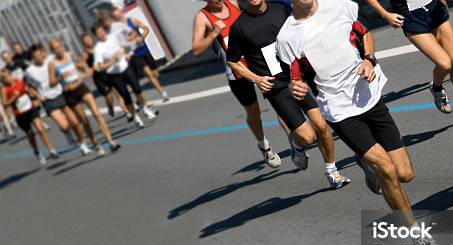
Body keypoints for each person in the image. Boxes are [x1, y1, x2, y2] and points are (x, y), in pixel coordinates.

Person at [277, 0, 438, 245]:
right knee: (386, 168)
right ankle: (415, 234)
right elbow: (293, 78)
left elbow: (365, 34)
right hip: (339, 111)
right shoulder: (286, 37)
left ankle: (365, 163)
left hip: (370, 96)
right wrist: (295, 88)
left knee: (405, 174)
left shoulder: (341, 6)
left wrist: (368, 59)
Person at [226, 0, 350, 188]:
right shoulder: (239, 27)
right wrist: (256, 79)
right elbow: (233, 61)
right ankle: (297, 144)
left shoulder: (281, 8)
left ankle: (332, 171)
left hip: (297, 78)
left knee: (321, 125)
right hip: (276, 87)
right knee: (308, 137)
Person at [192, 0, 282, 168]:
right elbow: (196, 50)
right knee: (253, 111)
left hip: (256, 61)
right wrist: (213, 34)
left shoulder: (232, 2)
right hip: (236, 71)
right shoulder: (202, 17)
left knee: (279, 99)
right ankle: (264, 146)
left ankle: (296, 141)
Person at [365, 0, 453, 123]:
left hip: (434, 7)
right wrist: (385, 14)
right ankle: (436, 88)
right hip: (410, 15)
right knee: (445, 64)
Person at [49, 39, 122, 154]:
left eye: (59, 46)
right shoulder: (52, 64)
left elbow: (80, 66)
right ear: (52, 51)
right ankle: (96, 144)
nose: (58, 49)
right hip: (69, 93)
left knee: (96, 113)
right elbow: (51, 82)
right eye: (55, 48)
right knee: (84, 120)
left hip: (80, 87)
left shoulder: (70, 56)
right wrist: (60, 77)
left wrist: (84, 68)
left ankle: (111, 141)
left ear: (62, 46)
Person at [25, 44, 92, 155]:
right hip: (48, 99)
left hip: (61, 94)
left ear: (42, 53)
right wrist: (37, 96)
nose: (39, 57)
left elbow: (62, 58)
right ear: (32, 58)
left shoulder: (50, 62)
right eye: (35, 56)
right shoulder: (30, 71)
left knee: (75, 122)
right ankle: (67, 133)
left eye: (39, 54)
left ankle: (82, 145)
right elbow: (28, 87)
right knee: (63, 125)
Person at [91, 22, 158, 129]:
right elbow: (100, 67)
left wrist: (127, 54)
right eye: (98, 33)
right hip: (114, 74)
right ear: (96, 35)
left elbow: (125, 45)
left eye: (102, 31)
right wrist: (113, 61)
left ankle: (145, 108)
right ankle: (136, 117)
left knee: (137, 88)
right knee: (126, 97)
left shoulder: (113, 37)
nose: (101, 33)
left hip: (125, 67)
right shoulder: (98, 49)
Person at [104, 5, 170, 102]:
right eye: (116, 17)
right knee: (147, 73)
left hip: (144, 50)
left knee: (153, 72)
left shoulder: (132, 21)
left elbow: (146, 28)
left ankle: (139, 99)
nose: (118, 18)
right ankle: (162, 93)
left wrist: (142, 37)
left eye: (118, 15)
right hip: (133, 54)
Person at [1, 68, 59, 164]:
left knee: (40, 128)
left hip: (31, 109)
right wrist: (13, 98)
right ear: (2, 81)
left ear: (11, 75)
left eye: (8, 76)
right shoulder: (4, 89)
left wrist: (38, 96)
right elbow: (5, 105)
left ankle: (51, 150)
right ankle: (36, 151)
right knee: (30, 134)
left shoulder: (19, 82)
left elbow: (28, 89)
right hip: (20, 114)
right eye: (4, 79)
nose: (7, 79)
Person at [79, 33, 129, 119]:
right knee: (109, 97)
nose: (88, 41)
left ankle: (126, 112)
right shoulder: (86, 54)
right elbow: (80, 64)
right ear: (84, 43)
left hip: (108, 73)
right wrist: (85, 69)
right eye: (86, 40)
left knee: (118, 92)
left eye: (89, 39)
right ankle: (110, 107)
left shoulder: (99, 47)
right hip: (99, 78)